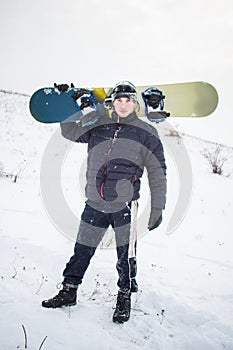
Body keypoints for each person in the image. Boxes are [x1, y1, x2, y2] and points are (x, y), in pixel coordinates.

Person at [42, 81, 167, 323]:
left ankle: (124, 296)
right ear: (112, 103)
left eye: (128, 100)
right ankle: (69, 290)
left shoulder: (146, 132)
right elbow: (70, 131)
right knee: (82, 250)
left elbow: (157, 172)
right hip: (94, 203)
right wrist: (66, 103)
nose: (123, 105)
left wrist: (158, 206)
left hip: (125, 205)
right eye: (118, 100)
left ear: (135, 104)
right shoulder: (98, 125)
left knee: (125, 256)